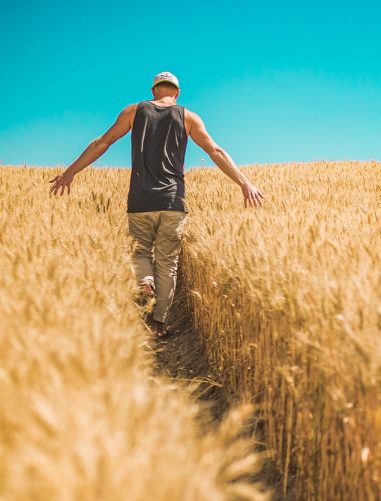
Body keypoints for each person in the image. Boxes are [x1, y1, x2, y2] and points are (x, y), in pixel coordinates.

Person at [49, 71, 264, 338]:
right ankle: (158, 322)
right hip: (173, 201)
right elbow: (215, 151)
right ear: (176, 93)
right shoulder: (188, 117)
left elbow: (103, 142)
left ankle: (144, 281)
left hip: (140, 199)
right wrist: (245, 183)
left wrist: (71, 171)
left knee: (140, 253)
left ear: (153, 91)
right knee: (168, 263)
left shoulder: (133, 111)